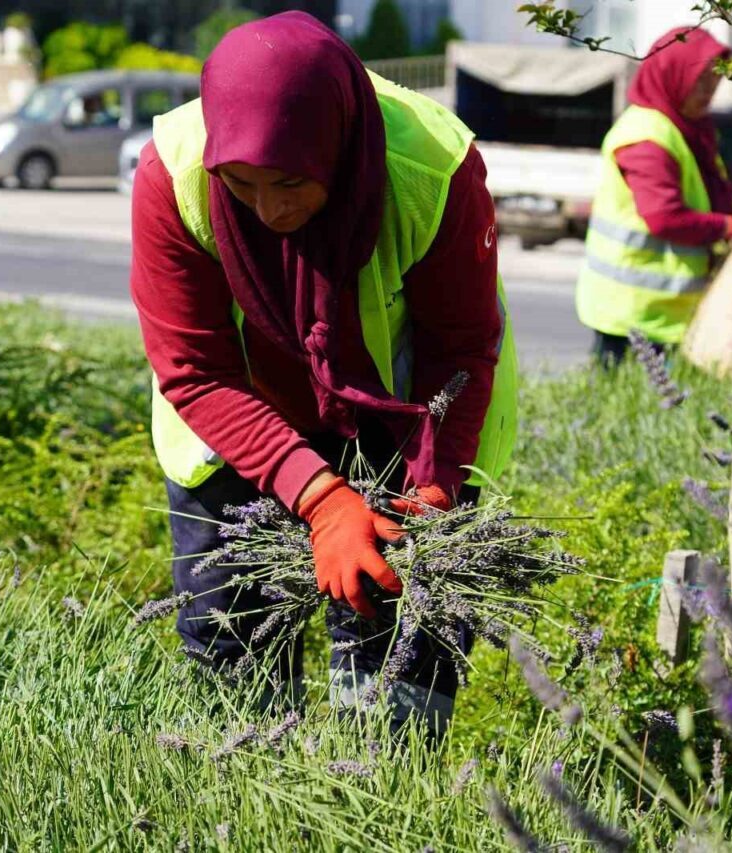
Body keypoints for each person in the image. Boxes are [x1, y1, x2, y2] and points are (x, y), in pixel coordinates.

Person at [130, 12, 517, 736]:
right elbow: (196, 367)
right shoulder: (175, 174)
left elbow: (460, 350)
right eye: (241, 184)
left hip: (400, 415)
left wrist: (428, 495)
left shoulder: (430, 172)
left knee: (400, 637)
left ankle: (389, 791)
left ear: (338, 149)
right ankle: (250, 799)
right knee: (232, 628)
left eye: (289, 182)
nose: (270, 209)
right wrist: (324, 501)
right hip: (237, 418)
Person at [576, 27, 732, 365]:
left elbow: (709, 197)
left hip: (668, 312)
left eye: (714, 79)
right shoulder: (647, 136)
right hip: (632, 313)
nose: (709, 91)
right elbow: (664, 217)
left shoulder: (689, 127)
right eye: (699, 80)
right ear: (672, 74)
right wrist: (729, 228)